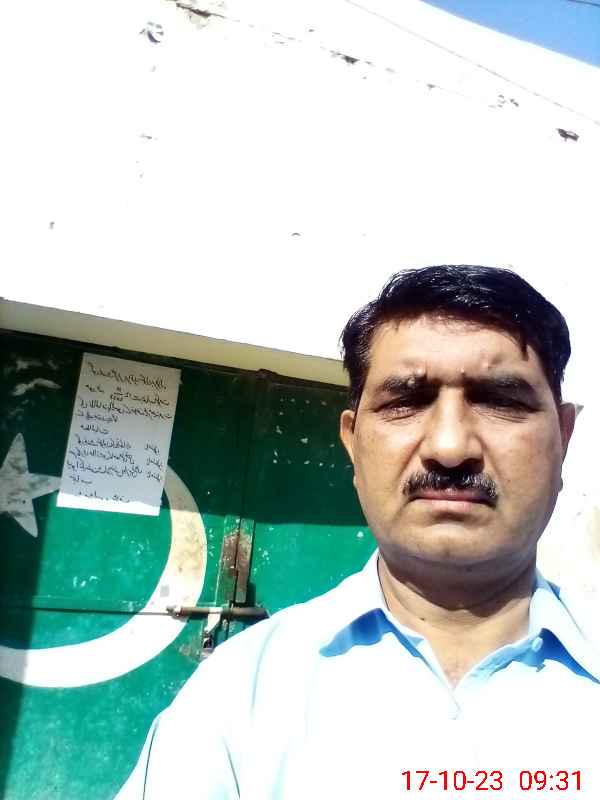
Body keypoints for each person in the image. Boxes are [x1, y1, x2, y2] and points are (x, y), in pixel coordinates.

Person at [118, 265, 600, 800]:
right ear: (352, 443)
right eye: (406, 402)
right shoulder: (236, 696)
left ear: (563, 438)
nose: (449, 447)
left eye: (500, 401)